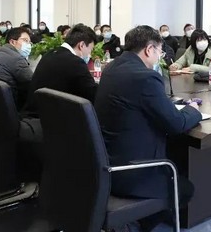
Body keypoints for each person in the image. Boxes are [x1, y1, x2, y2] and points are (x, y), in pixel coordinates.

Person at [95, 25, 202, 231]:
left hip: (105, 162)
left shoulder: (112, 68)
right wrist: (193, 110)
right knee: (186, 188)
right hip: (132, 172)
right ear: (149, 49)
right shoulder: (145, 76)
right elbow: (176, 124)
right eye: (160, 51)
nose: (160, 56)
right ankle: (136, 224)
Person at [26, 24, 97, 115]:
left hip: (37, 113)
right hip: (55, 118)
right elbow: (93, 95)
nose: (90, 54)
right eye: (90, 49)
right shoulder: (76, 63)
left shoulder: (49, 54)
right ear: (82, 45)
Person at [0, 27, 33, 110]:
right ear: (12, 42)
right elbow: (32, 84)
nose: (28, 45)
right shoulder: (16, 59)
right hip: (3, 109)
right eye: (25, 40)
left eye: (29, 42)